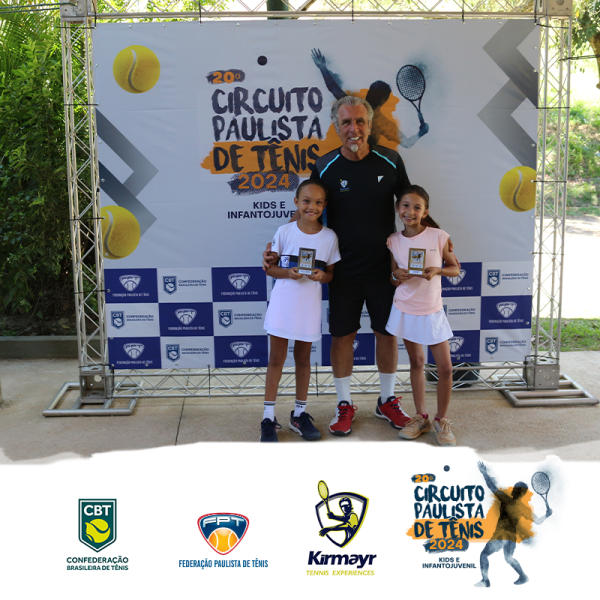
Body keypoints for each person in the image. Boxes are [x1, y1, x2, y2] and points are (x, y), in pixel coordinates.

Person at [260, 180, 340, 442]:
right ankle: (268, 417)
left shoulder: (329, 237)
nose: (311, 207)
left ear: (324, 206)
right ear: (296, 202)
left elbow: (330, 274)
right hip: (283, 305)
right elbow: (270, 269)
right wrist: (288, 273)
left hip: (308, 308)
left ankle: (299, 414)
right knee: (276, 359)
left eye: (318, 202)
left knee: (303, 360)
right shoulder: (284, 231)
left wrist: (321, 276)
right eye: (306, 201)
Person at [386, 185, 460, 446]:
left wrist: (437, 270)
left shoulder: (439, 236)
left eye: (417, 207)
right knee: (416, 362)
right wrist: (397, 275)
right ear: (398, 208)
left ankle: (442, 420)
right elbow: (393, 278)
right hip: (406, 308)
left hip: (432, 310)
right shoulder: (393, 240)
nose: (410, 211)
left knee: (446, 368)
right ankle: (421, 417)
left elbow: (455, 268)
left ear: (425, 212)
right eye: (405, 206)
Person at [311, 48, 429, 149]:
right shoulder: (380, 121)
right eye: (372, 92)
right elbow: (407, 143)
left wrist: (323, 68)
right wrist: (421, 133)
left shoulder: (359, 108)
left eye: (374, 94)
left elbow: (334, 89)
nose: (371, 96)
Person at [475, 462, 552, 587]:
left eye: (515, 489)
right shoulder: (523, 508)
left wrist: (484, 473)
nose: (513, 490)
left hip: (500, 535)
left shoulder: (506, 499)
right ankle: (523, 576)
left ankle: (485, 581)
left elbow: (491, 486)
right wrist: (547, 515)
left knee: (484, 554)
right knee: (508, 558)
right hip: (511, 538)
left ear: (516, 491)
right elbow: (538, 521)